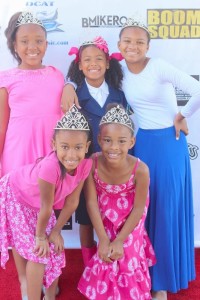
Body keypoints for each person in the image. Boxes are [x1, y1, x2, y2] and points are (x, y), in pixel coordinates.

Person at [60, 18, 200, 300]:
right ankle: (141, 270)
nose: (133, 46)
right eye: (127, 42)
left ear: (148, 46)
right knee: (142, 212)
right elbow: (88, 72)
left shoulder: (159, 66)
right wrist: (68, 84)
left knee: (165, 211)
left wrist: (182, 116)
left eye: (139, 42)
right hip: (141, 144)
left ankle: (161, 282)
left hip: (168, 143)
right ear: (119, 48)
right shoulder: (119, 70)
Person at [0, 105, 93, 300]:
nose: (71, 155)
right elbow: (46, 207)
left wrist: (56, 232)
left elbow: (72, 202)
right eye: (65, 147)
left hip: (41, 204)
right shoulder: (50, 167)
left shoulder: (86, 164)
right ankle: (26, 285)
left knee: (55, 247)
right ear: (54, 145)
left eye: (78, 147)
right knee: (37, 250)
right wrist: (41, 236)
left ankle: (49, 295)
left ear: (86, 146)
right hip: (16, 193)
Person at [77, 104, 156, 300]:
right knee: (106, 254)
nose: (114, 147)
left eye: (121, 141)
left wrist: (120, 239)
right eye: (107, 140)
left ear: (131, 142)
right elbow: (91, 203)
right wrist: (102, 238)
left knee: (125, 253)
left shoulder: (141, 169)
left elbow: (139, 208)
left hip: (131, 220)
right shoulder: (92, 163)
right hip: (106, 218)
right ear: (98, 140)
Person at [66, 36, 128, 266]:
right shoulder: (74, 96)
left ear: (108, 62)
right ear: (80, 65)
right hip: (85, 169)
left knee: (114, 214)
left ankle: (114, 260)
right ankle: (88, 264)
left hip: (113, 167)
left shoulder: (119, 95)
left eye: (99, 59)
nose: (93, 63)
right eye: (87, 59)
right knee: (86, 218)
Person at [0, 11, 64, 177]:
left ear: (46, 44)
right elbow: (1, 126)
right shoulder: (5, 79)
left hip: (51, 153)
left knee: (49, 198)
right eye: (24, 41)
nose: (32, 47)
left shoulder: (57, 75)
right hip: (17, 154)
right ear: (14, 44)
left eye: (39, 41)